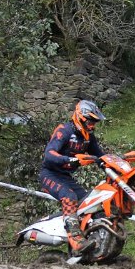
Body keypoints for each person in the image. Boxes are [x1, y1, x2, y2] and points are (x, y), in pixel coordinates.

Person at [39, 100, 107, 255]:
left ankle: (94, 243)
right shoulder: (64, 130)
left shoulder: (88, 138)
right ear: (80, 117)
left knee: (89, 203)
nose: (92, 126)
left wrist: (115, 163)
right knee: (69, 196)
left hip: (65, 176)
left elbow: (100, 156)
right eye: (90, 122)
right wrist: (70, 159)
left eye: (94, 122)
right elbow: (49, 154)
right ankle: (76, 239)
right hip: (49, 174)